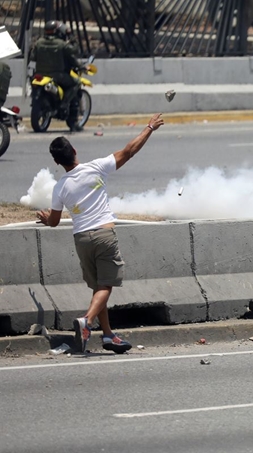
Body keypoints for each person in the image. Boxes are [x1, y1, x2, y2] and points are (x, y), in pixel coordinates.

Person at [36, 113, 165, 353]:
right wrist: (149, 127)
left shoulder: (60, 186)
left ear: (57, 163)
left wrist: (45, 219)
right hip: (104, 236)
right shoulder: (96, 167)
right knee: (107, 285)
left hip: (81, 240)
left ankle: (108, 336)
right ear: (74, 150)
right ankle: (88, 321)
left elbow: (54, 222)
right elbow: (129, 151)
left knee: (98, 288)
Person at [30, 20, 81, 130]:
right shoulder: (62, 44)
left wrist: (32, 75)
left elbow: (32, 60)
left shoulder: (39, 43)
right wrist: (72, 38)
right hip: (58, 76)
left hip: (40, 76)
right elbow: (74, 52)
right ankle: (64, 104)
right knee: (76, 83)